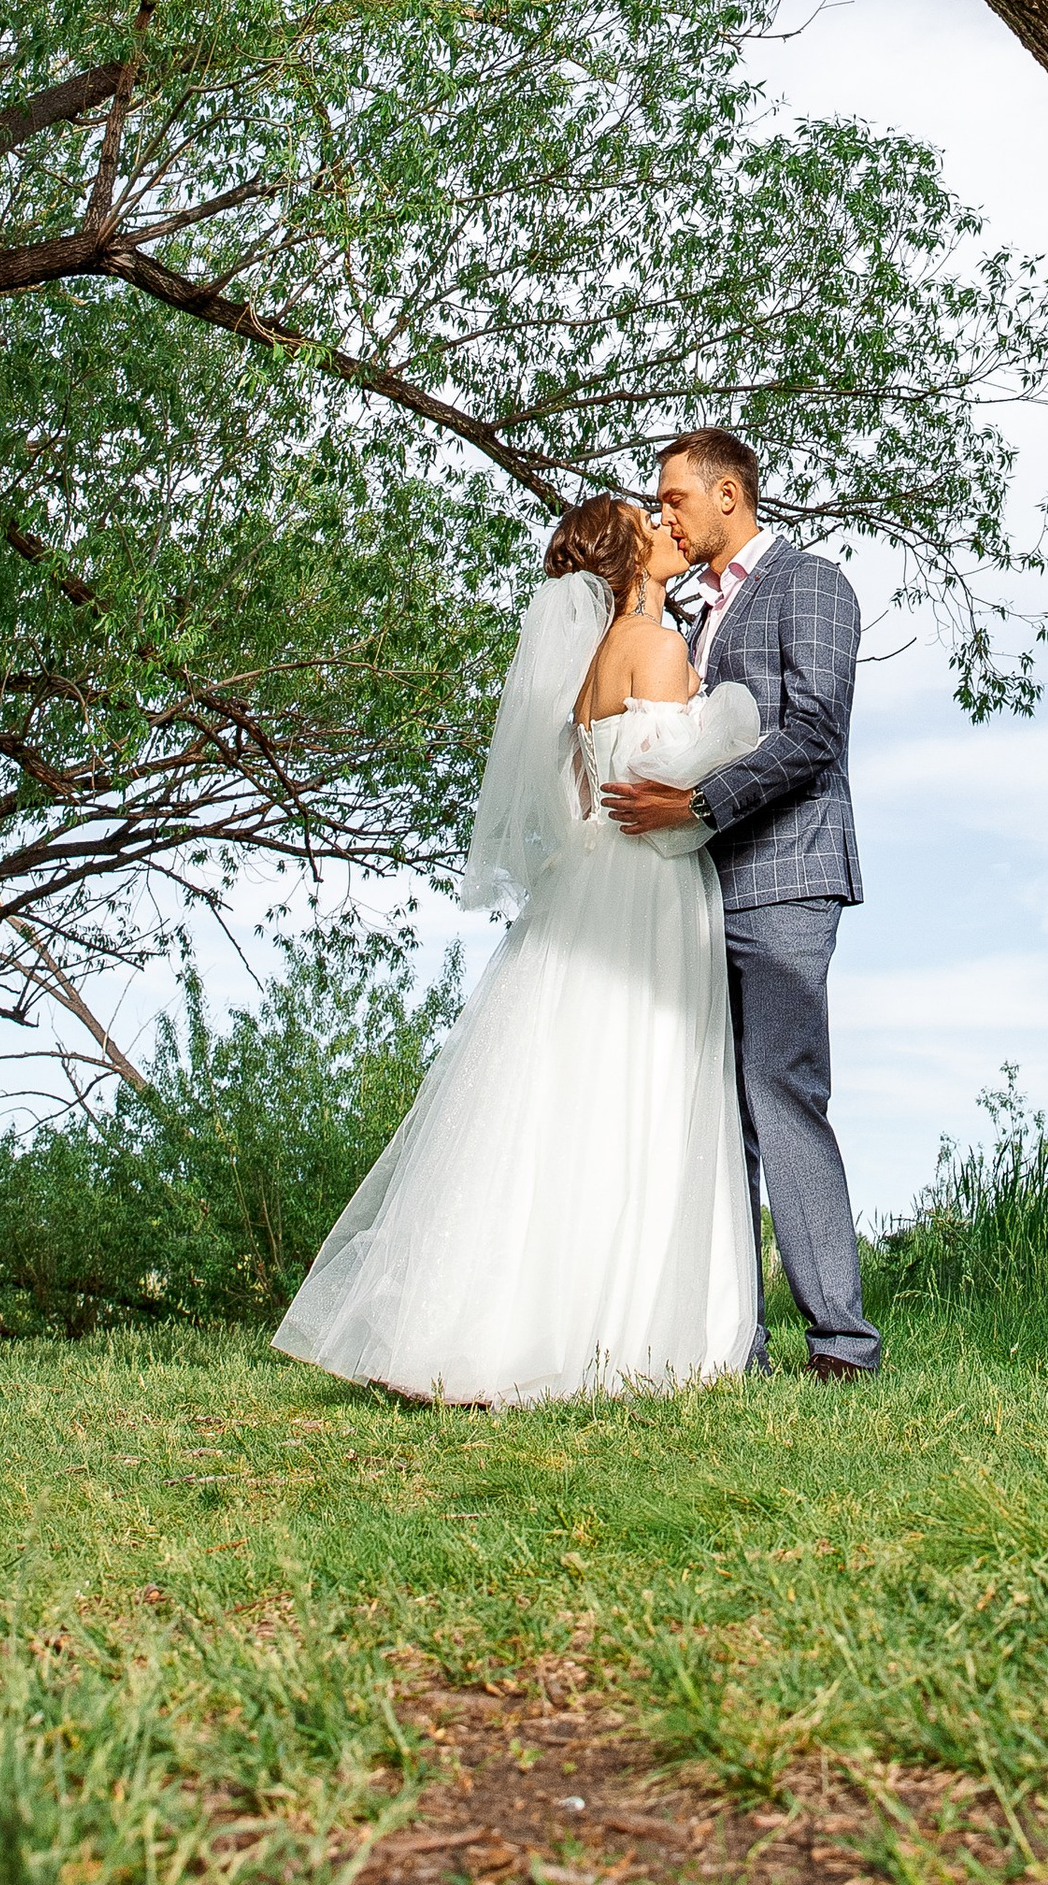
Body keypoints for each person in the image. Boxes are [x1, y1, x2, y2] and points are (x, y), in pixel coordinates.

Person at [272, 496, 765, 1404]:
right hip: (645, 891)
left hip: (587, 893)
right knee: (638, 1088)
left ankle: (487, 1321)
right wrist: (733, 719)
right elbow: (665, 801)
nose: (667, 529)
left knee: (559, 1098)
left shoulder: (587, 671)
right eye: (648, 524)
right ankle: (616, 1332)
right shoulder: (654, 650)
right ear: (627, 563)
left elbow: (591, 790)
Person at [604, 426, 882, 1379]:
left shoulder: (812, 583)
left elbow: (813, 733)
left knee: (782, 1095)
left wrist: (697, 804)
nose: (664, 512)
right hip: (704, 889)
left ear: (730, 495)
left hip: (788, 878)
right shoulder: (698, 617)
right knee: (716, 1113)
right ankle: (736, 1344)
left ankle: (841, 1346)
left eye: (675, 496)